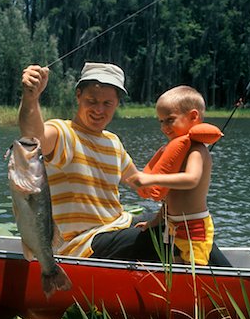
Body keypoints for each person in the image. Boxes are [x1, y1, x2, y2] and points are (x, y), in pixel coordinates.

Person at [19, 62, 160, 260]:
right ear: (78, 96)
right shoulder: (63, 133)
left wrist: (184, 178)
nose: (98, 110)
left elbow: (139, 181)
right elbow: (33, 136)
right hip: (82, 243)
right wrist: (30, 98)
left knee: (181, 224)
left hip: (118, 226)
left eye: (107, 104)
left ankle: (210, 282)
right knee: (161, 236)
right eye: (91, 101)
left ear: (117, 103)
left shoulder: (113, 141)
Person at [126, 85, 215, 266]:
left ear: (193, 117)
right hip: (173, 226)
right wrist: (154, 222)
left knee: (194, 274)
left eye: (170, 120)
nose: (164, 127)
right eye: (161, 121)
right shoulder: (177, 152)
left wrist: (150, 179)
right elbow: (170, 198)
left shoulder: (197, 150)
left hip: (195, 228)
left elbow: (192, 179)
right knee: (175, 268)